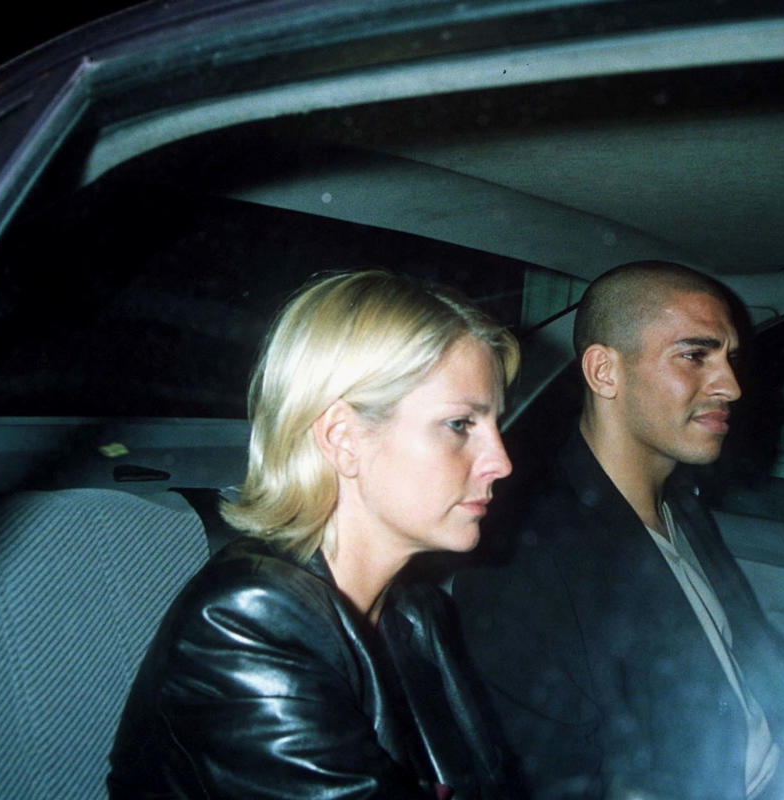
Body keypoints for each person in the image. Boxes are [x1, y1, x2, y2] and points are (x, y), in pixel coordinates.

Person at [450, 261, 784, 799]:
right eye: (694, 355)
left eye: (730, 358)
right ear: (604, 372)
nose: (731, 386)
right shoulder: (525, 558)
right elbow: (556, 782)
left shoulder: (680, 511)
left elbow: (746, 706)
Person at [108, 270, 518, 798]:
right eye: (461, 424)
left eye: (494, 426)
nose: (501, 462)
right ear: (343, 438)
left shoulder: (414, 613)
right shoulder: (246, 620)